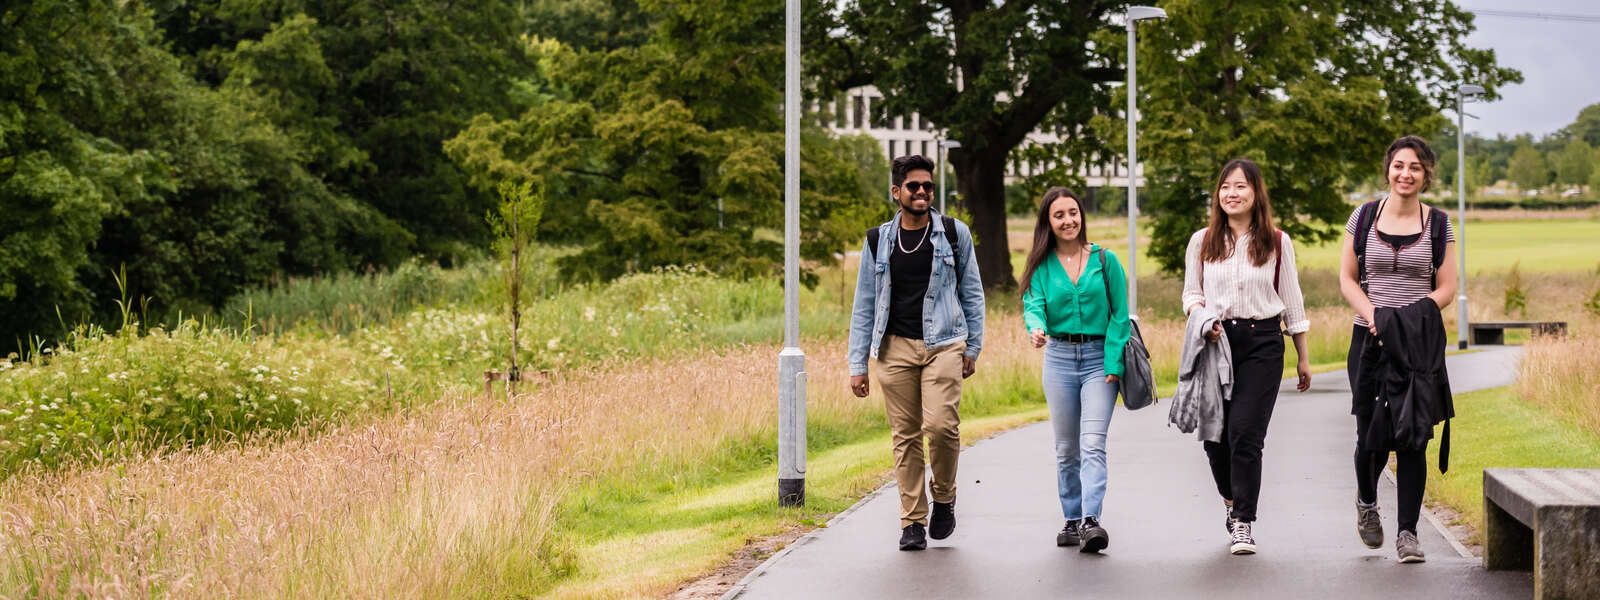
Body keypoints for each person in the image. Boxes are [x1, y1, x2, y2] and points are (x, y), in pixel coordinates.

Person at [847, 154, 985, 551]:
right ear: (897, 192)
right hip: (893, 349)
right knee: (905, 436)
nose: (922, 192)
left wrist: (972, 345)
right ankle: (912, 521)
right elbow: (864, 305)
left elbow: (973, 293)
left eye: (928, 186)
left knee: (942, 427)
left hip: (944, 342)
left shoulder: (955, 234)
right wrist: (858, 365)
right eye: (913, 186)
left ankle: (944, 497)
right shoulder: (877, 240)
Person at [1180, 158, 1312, 556]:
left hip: (1263, 344)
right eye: (1225, 187)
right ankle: (1230, 500)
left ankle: (1243, 523)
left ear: (1256, 194)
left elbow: (1292, 301)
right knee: (1215, 440)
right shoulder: (1202, 241)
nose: (1231, 194)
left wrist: (1302, 357)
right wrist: (1204, 320)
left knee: (1246, 436)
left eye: (1240, 187)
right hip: (1216, 344)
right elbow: (1191, 295)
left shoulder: (1276, 241)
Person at [1338, 135, 1458, 564]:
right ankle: (1367, 500)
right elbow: (1348, 279)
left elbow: (1446, 288)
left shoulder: (1441, 225)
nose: (1406, 174)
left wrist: (1411, 316)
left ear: (1426, 175)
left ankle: (1408, 533)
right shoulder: (1364, 217)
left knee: (1413, 436)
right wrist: (1374, 315)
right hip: (1367, 340)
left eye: (1416, 168)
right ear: (1388, 169)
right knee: (1369, 435)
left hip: (1417, 345)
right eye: (1399, 166)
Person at [1021, 187, 1131, 554]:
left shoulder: (1105, 260)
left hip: (1100, 359)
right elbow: (1033, 304)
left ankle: (1090, 520)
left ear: (1081, 216)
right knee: (1067, 448)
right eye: (1059, 215)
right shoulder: (1041, 265)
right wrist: (1035, 327)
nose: (1068, 220)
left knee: (1092, 443)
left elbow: (1120, 314)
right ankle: (1070, 518)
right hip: (1058, 358)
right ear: (1048, 223)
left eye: (1073, 212)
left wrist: (1114, 362)